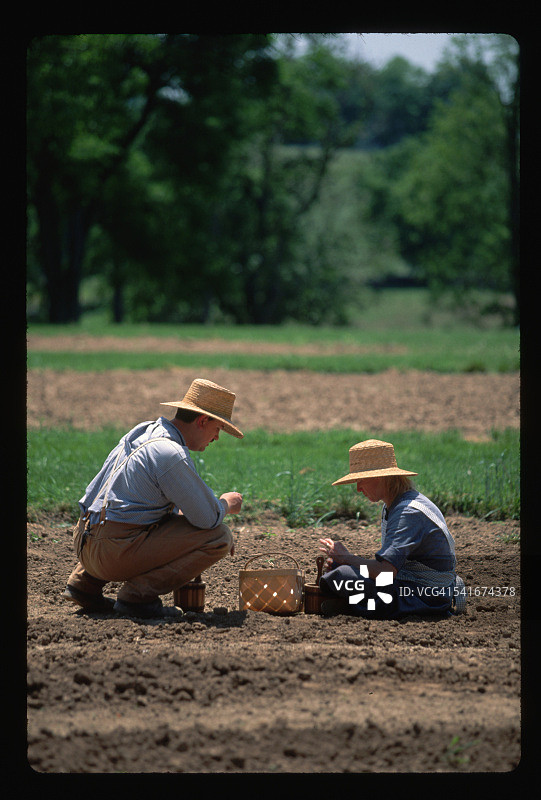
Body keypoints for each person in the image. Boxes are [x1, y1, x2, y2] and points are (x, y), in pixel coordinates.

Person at [62, 378, 244, 618]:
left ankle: (84, 584)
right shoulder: (171, 453)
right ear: (203, 420)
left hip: (84, 543)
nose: (217, 437)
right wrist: (226, 504)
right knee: (219, 537)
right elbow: (208, 519)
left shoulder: (144, 431)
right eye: (218, 428)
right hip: (112, 554)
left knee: (153, 517)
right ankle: (137, 598)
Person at [318, 439, 465, 618]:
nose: (358, 488)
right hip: (417, 587)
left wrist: (347, 558)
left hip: (425, 596)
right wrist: (345, 560)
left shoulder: (407, 512)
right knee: (342, 570)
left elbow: (386, 572)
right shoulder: (397, 505)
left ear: (378, 477)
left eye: (360, 480)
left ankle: (347, 606)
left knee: (343, 575)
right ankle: (349, 605)